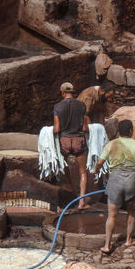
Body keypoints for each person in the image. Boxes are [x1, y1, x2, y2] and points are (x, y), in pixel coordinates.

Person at [94, 119, 135, 253]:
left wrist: (96, 170)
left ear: (119, 131)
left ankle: (107, 245)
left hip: (115, 181)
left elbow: (100, 162)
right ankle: (128, 240)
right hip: (132, 180)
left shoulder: (111, 144)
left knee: (112, 215)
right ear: (131, 131)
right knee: (131, 213)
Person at [54, 82, 91, 210]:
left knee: (64, 165)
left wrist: (49, 132)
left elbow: (57, 128)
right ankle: (82, 202)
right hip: (78, 140)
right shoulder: (81, 105)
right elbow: (85, 127)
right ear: (73, 93)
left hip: (64, 141)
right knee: (83, 172)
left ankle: (69, 185)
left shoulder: (58, 107)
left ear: (63, 93)